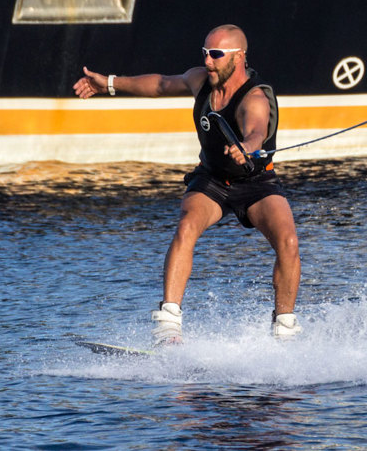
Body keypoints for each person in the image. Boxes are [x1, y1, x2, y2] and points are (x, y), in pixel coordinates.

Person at [73, 24, 301, 344]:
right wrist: (109, 83)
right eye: (205, 53)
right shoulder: (200, 80)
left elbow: (257, 129)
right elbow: (162, 84)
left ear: (238, 57)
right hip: (212, 180)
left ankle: (284, 331)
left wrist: (246, 146)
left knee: (288, 241)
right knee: (186, 226)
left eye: (216, 55)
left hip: (256, 182)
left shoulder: (254, 96)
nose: (208, 61)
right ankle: (168, 326)